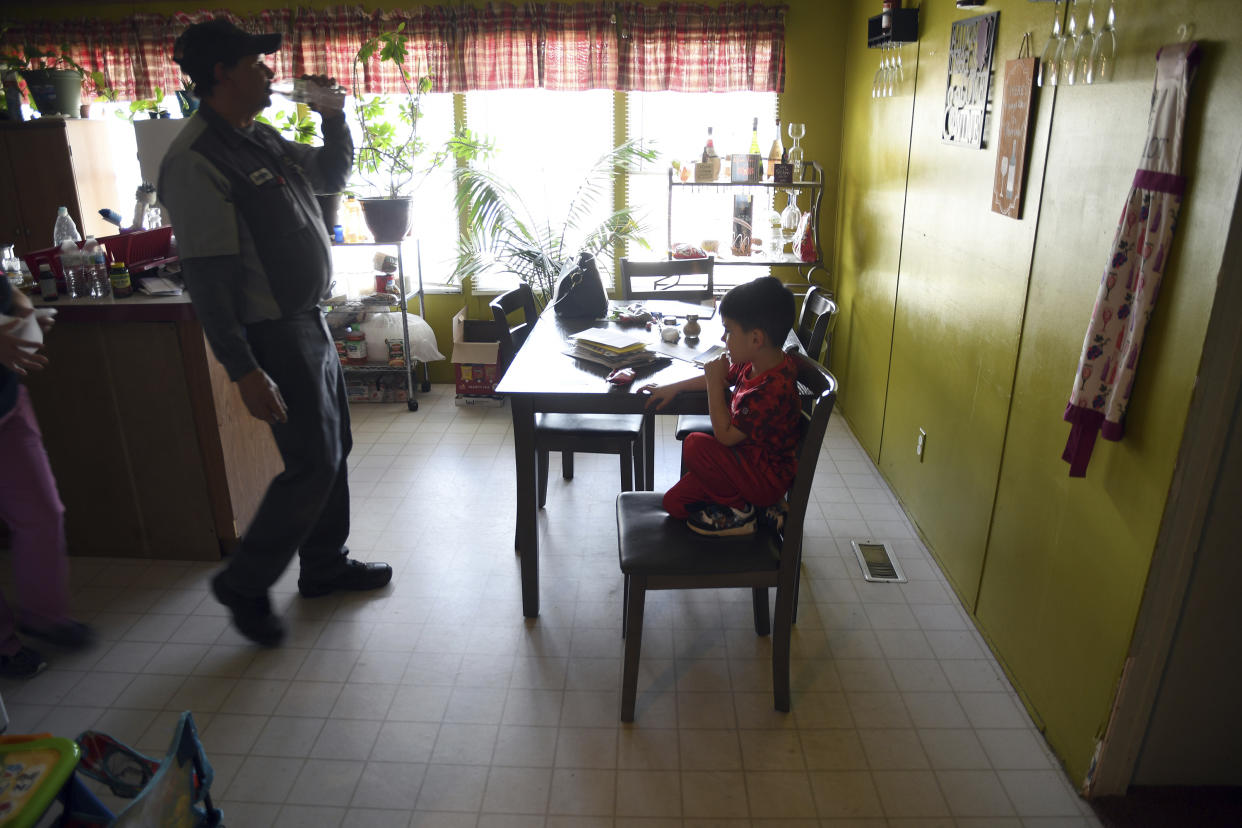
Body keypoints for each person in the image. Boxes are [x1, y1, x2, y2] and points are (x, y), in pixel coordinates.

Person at [159, 19, 390, 647]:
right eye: (254, 63)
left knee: (333, 446)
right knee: (311, 461)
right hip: (273, 332)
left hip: (307, 320)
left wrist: (336, 118)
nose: (268, 72)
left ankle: (323, 566)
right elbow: (208, 280)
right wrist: (242, 368)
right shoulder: (196, 160)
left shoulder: (255, 136)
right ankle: (244, 581)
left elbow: (332, 177)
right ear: (220, 74)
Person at [642, 276, 800, 536]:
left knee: (694, 444)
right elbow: (717, 374)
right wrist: (675, 387)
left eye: (728, 330)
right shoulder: (754, 362)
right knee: (674, 504)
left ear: (756, 339)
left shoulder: (772, 389)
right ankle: (754, 507)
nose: (723, 337)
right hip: (741, 465)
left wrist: (715, 384)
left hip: (763, 479)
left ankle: (742, 511)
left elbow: (724, 436)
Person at [0, 277, 93, 677]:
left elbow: (7, 290)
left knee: (43, 514)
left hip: (6, 406)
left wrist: (22, 311)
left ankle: (42, 615)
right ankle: (4, 646)